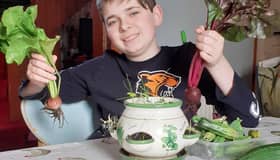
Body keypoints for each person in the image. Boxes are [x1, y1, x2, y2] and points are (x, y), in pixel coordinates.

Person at [19, 0, 260, 138]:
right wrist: (37, 81)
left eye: (133, 12)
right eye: (112, 21)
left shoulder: (187, 58)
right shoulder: (97, 70)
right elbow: (36, 95)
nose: (124, 26)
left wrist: (217, 63)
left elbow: (248, 119)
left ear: (156, 15)